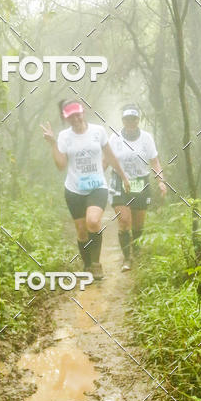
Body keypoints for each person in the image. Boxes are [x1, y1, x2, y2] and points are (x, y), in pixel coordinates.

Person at [41, 99, 130, 280]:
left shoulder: (98, 132)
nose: (76, 118)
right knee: (81, 231)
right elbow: (61, 165)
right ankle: (87, 264)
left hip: (97, 186)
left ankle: (96, 265)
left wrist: (123, 176)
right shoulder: (65, 137)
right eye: (71, 116)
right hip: (74, 190)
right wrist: (52, 143)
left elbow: (110, 156)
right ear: (66, 118)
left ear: (83, 112)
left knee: (93, 221)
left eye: (78, 114)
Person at [108, 104, 166, 271]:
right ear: (123, 120)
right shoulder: (115, 138)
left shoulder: (146, 138)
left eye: (134, 119)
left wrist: (160, 180)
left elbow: (154, 161)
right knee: (124, 221)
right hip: (119, 181)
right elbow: (108, 160)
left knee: (138, 224)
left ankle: (137, 251)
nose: (131, 122)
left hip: (140, 181)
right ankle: (127, 259)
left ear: (138, 120)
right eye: (127, 119)